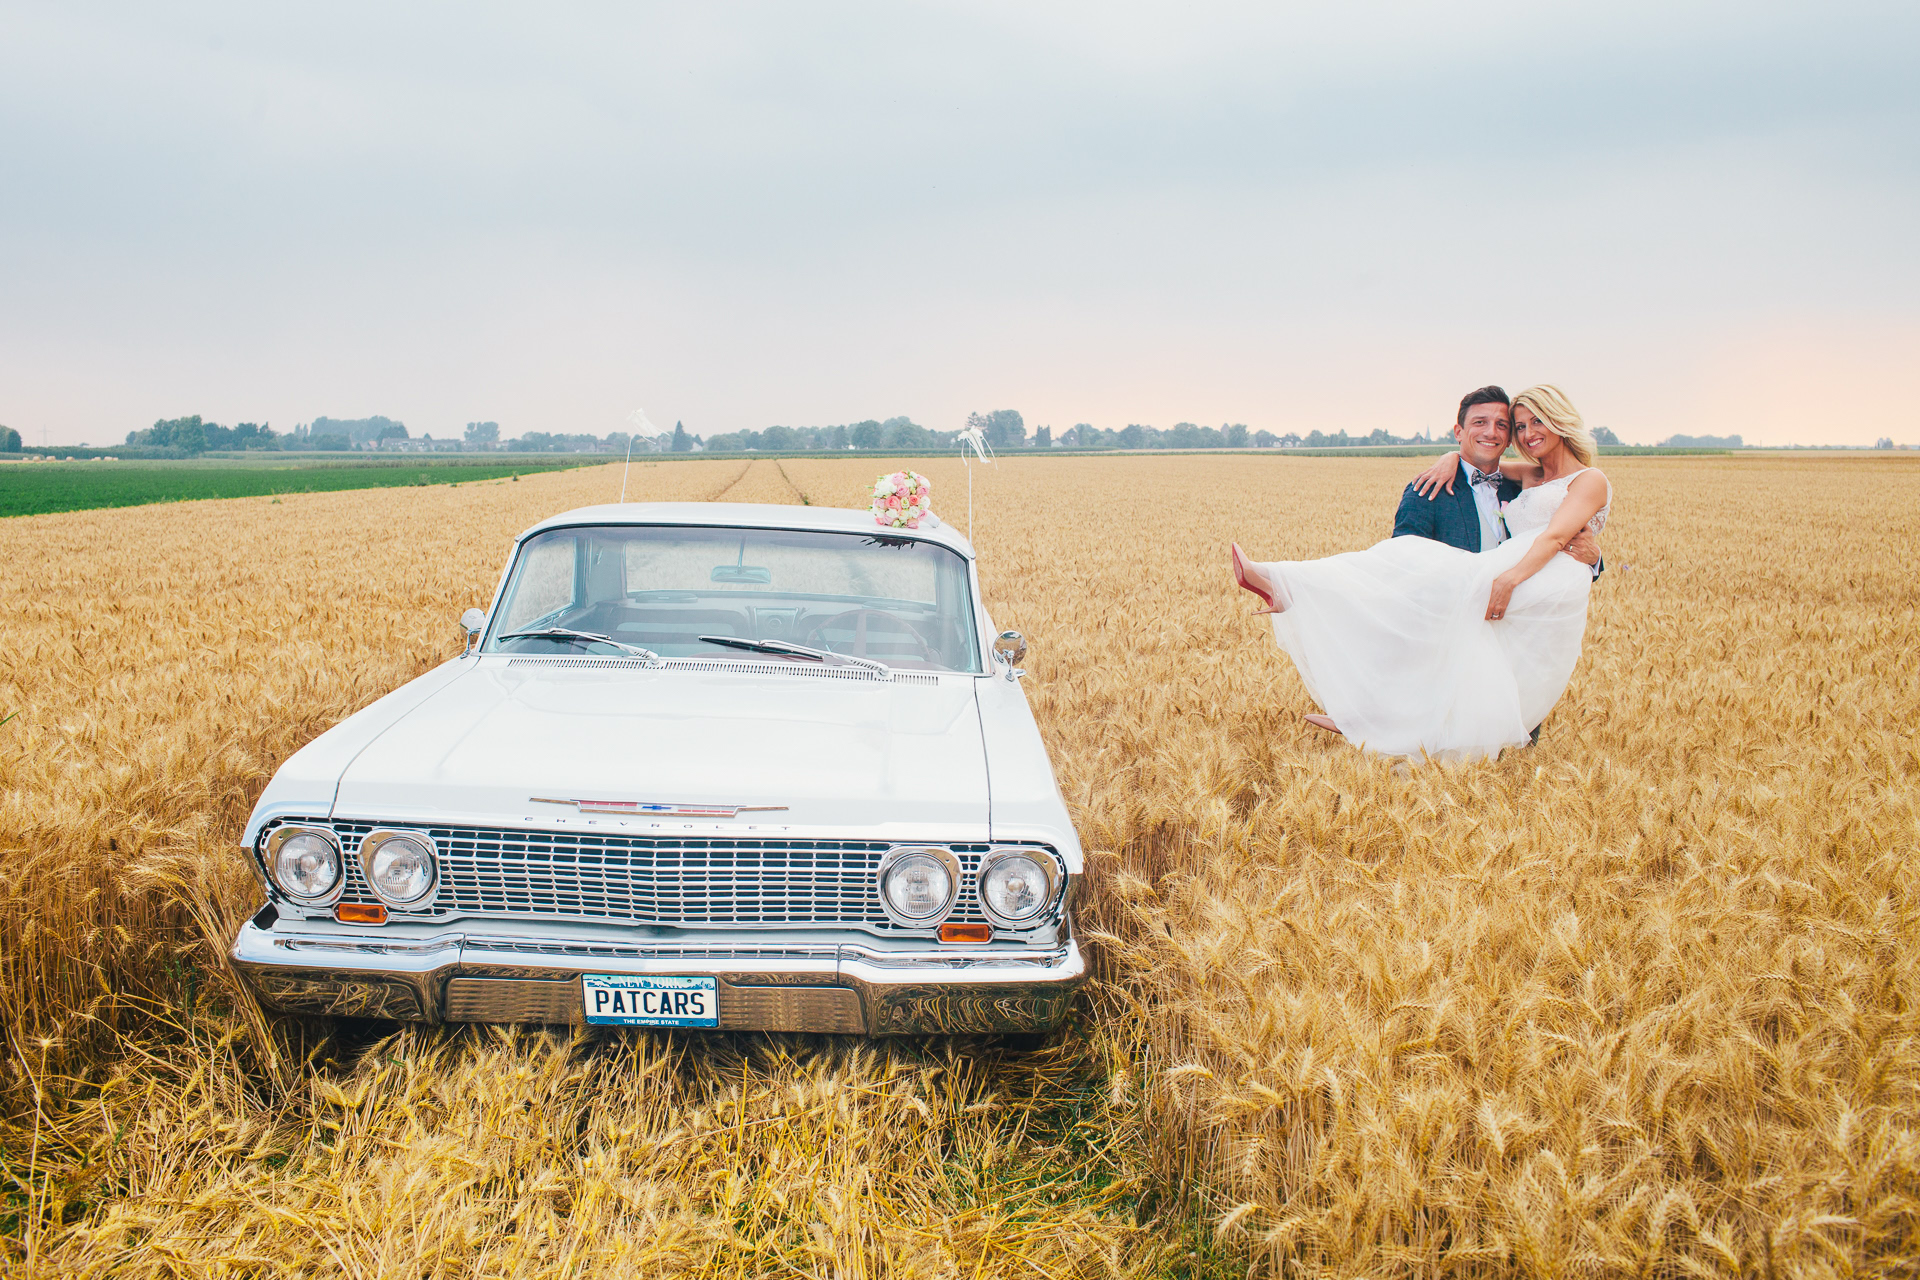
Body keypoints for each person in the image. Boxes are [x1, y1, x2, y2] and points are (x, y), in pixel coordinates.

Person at [1229, 384, 1612, 761]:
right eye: (1521, 426)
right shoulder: (1471, 482)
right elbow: (1403, 564)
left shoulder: (1560, 481)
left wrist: (1586, 560)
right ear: (1460, 430)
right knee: (1413, 566)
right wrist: (1451, 457)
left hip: (1527, 590)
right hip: (1488, 591)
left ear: (1559, 421)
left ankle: (1372, 715)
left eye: (1518, 424)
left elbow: (1557, 538)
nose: (1526, 434)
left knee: (1509, 715)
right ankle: (1296, 597)